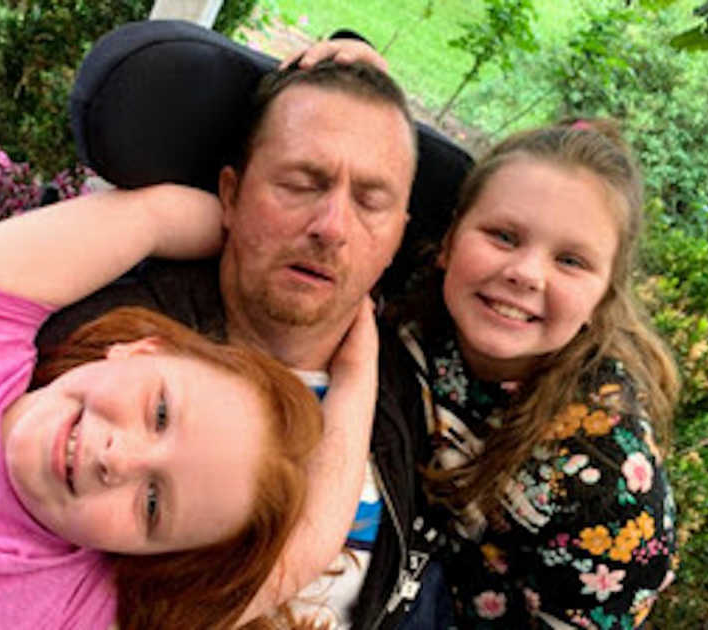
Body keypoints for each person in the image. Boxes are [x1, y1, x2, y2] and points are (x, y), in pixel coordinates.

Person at [0, 183, 382, 629]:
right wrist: (266, 240)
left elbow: (306, 549)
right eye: (159, 412)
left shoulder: (71, 606)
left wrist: (359, 378)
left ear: (147, 553)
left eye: (154, 503)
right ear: (138, 350)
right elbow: (151, 218)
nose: (120, 458)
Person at [39, 54, 439, 628]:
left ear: (399, 237)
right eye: (302, 184)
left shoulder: (415, 385)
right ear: (230, 195)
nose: (332, 226)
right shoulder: (108, 364)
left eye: (370, 202)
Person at [393, 119, 679, 628]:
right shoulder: (410, 300)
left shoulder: (609, 484)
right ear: (448, 240)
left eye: (570, 260)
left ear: (603, 297)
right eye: (503, 236)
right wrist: (352, 51)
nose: (525, 273)